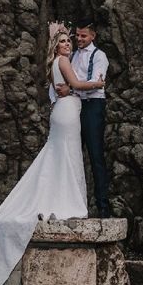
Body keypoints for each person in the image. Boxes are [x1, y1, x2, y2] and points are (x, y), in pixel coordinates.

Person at [0, 22, 105, 285]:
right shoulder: (64, 61)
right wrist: (98, 84)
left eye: (70, 40)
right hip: (67, 114)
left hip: (63, 113)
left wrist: (56, 39)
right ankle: (68, 200)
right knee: (65, 156)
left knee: (59, 155)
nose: (68, 44)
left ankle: (60, 195)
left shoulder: (54, 63)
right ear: (58, 47)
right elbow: (75, 86)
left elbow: (63, 87)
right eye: (63, 41)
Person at [52, 19, 110, 218]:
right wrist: (71, 88)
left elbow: (96, 82)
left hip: (93, 107)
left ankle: (103, 207)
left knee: (95, 156)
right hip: (75, 108)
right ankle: (71, 204)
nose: (79, 39)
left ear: (93, 36)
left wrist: (72, 87)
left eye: (83, 36)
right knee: (73, 155)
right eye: (77, 35)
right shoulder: (71, 55)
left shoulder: (99, 56)